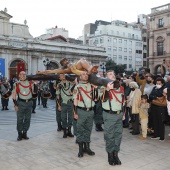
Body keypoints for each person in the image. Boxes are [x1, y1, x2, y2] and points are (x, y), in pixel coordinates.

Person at [100, 70, 124, 166]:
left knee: (118, 135)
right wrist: (107, 89)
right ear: (106, 77)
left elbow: (123, 102)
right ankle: (110, 155)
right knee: (109, 136)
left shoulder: (120, 87)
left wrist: (124, 113)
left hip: (119, 114)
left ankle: (116, 154)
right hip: (109, 115)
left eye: (114, 74)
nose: (113, 75)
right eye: (110, 74)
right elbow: (102, 99)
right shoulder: (103, 88)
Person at [73, 71, 96, 158]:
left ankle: (87, 148)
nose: (85, 75)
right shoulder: (77, 87)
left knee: (88, 129)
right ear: (80, 77)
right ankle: (80, 149)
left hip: (91, 111)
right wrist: (75, 112)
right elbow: (75, 101)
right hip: (81, 111)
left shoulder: (92, 86)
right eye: (83, 74)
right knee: (80, 130)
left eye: (86, 74)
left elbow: (96, 98)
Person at [12, 71, 34, 141]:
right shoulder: (16, 84)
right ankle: (19, 134)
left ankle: (25, 132)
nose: (23, 75)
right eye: (21, 74)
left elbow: (34, 92)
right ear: (19, 76)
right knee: (20, 119)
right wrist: (15, 105)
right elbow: (14, 95)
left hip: (29, 102)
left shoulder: (30, 83)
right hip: (21, 103)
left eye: (24, 74)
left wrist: (35, 84)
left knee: (28, 119)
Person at [56, 73, 74, 138]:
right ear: (59, 78)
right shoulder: (59, 85)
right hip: (63, 103)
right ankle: (65, 131)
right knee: (63, 118)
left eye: (63, 75)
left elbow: (74, 91)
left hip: (70, 102)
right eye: (61, 76)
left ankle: (69, 131)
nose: (63, 76)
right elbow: (57, 96)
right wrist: (59, 105)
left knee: (71, 117)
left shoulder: (70, 83)